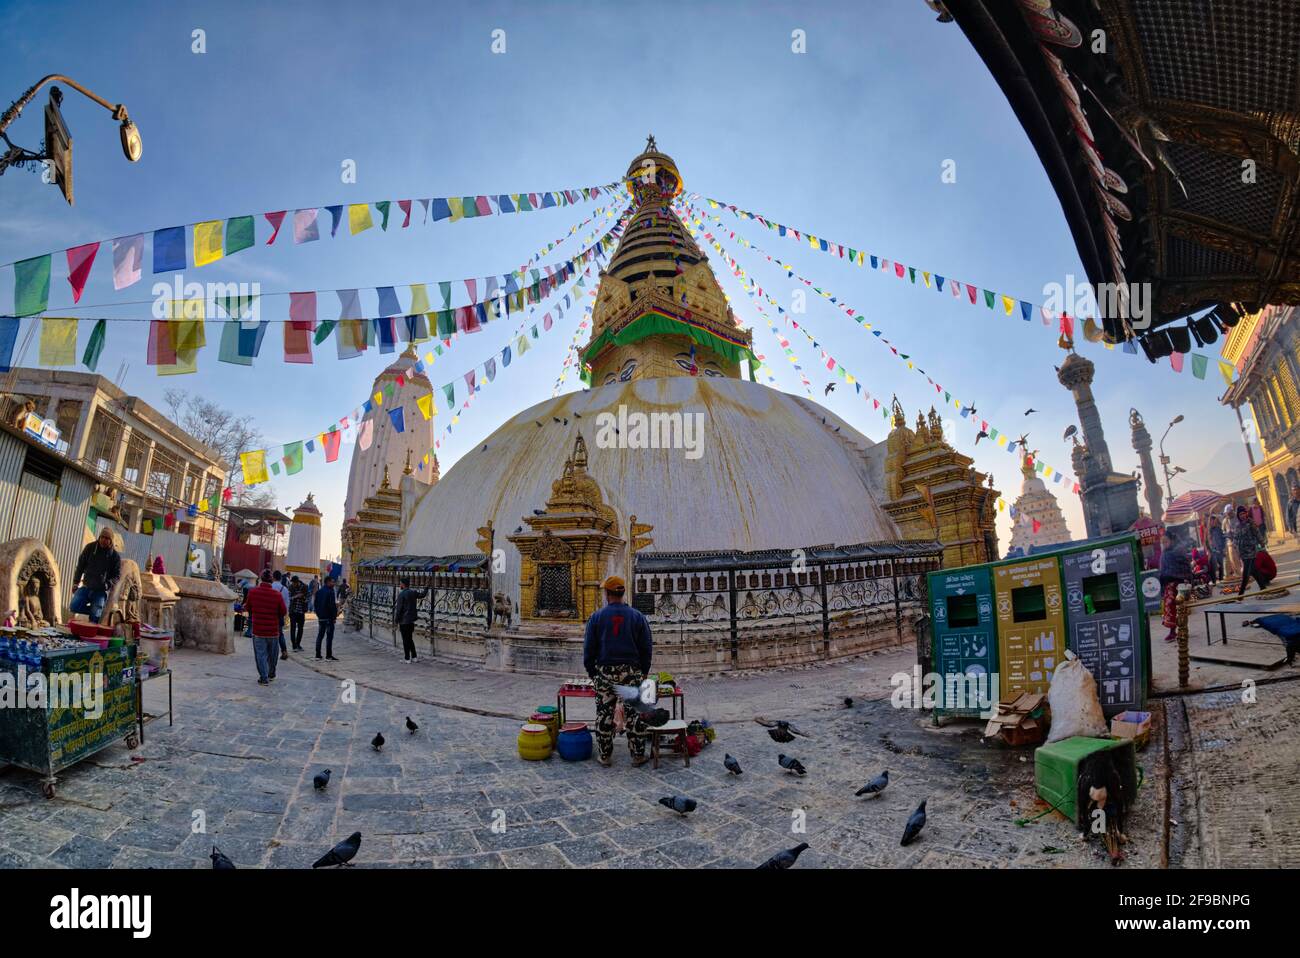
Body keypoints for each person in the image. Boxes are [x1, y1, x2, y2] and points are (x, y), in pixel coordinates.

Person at [582, 575, 653, 767]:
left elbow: (588, 650)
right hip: (632, 671)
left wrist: (593, 674)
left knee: (604, 714)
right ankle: (637, 755)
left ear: (606, 594)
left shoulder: (596, 617)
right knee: (635, 714)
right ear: (622, 593)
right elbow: (646, 648)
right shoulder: (637, 617)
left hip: (604, 672)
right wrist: (644, 672)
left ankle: (605, 756)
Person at [243, 570, 286, 685]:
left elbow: (248, 608)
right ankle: (271, 674)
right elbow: (283, 611)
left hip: (258, 630)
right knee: (272, 655)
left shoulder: (253, 592)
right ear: (271, 581)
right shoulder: (277, 595)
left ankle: (263, 677)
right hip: (273, 631)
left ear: (260, 579)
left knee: (260, 654)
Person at [71, 528, 122, 624]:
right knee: (74, 606)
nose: (104, 540)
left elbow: (117, 576)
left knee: (94, 619)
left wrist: (108, 584)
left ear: (111, 541)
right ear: (99, 537)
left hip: (100, 591)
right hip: (86, 587)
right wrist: (75, 583)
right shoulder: (90, 548)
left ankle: (96, 613)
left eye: (107, 538)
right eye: (102, 537)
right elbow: (80, 566)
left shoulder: (115, 556)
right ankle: (97, 611)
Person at [1158, 532, 1191, 642]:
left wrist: (1187, 580)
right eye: (1162, 542)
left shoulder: (1178, 551)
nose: (1164, 544)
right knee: (1170, 608)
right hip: (1168, 585)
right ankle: (1175, 631)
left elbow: (1186, 567)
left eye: (1165, 541)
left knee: (1178, 608)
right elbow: (1162, 570)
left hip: (1179, 584)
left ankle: (1178, 631)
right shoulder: (1164, 554)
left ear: (1171, 541)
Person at [1235, 505, 1271, 595]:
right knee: (1253, 571)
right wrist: (1235, 547)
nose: (1242, 515)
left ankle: (1240, 594)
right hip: (1243, 553)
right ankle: (1263, 588)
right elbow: (1236, 538)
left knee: (1246, 574)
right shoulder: (1238, 526)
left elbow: (1257, 533)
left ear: (1246, 513)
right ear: (1238, 516)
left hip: (1251, 551)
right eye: (1240, 514)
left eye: (1243, 513)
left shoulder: (1250, 522)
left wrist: (1262, 542)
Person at [393, 577, 428, 663]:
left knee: (406, 640)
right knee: (410, 639)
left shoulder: (401, 595)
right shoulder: (413, 593)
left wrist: (396, 621)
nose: (400, 585)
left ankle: (407, 658)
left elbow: (399, 610)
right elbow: (422, 595)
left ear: (403, 584)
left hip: (404, 621)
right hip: (411, 620)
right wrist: (426, 587)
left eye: (401, 583)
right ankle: (414, 657)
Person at [314, 575, 339, 660]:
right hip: (329, 618)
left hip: (321, 617)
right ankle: (328, 655)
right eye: (332, 582)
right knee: (329, 637)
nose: (333, 583)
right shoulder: (330, 592)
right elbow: (332, 606)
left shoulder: (319, 591)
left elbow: (315, 605)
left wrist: (318, 614)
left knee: (320, 635)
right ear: (328, 582)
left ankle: (318, 654)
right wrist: (334, 617)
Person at [271, 570, 290, 657]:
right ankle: (284, 651)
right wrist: (285, 615)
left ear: (273, 577)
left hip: (270, 614)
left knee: (269, 633)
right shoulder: (285, 589)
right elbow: (287, 604)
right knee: (280, 633)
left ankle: (271, 652)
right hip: (280, 615)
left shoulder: (270, 587)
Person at [287, 575, 308, 651]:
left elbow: (307, 596)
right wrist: (295, 596)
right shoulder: (290, 587)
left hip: (301, 611)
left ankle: (298, 644)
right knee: (292, 628)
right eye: (292, 583)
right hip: (293, 611)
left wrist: (302, 596)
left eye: (294, 583)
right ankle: (294, 645)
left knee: (300, 629)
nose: (293, 584)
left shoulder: (304, 586)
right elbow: (289, 598)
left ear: (297, 582)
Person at [1207, 518, 1226, 585]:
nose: (1213, 523)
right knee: (1212, 567)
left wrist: (1223, 547)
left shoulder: (1219, 529)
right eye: (1211, 521)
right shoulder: (1208, 531)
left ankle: (1221, 579)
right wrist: (1210, 550)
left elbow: (1223, 538)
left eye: (1214, 521)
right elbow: (1207, 541)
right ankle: (1214, 581)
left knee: (1221, 565)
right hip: (1212, 551)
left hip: (1219, 549)